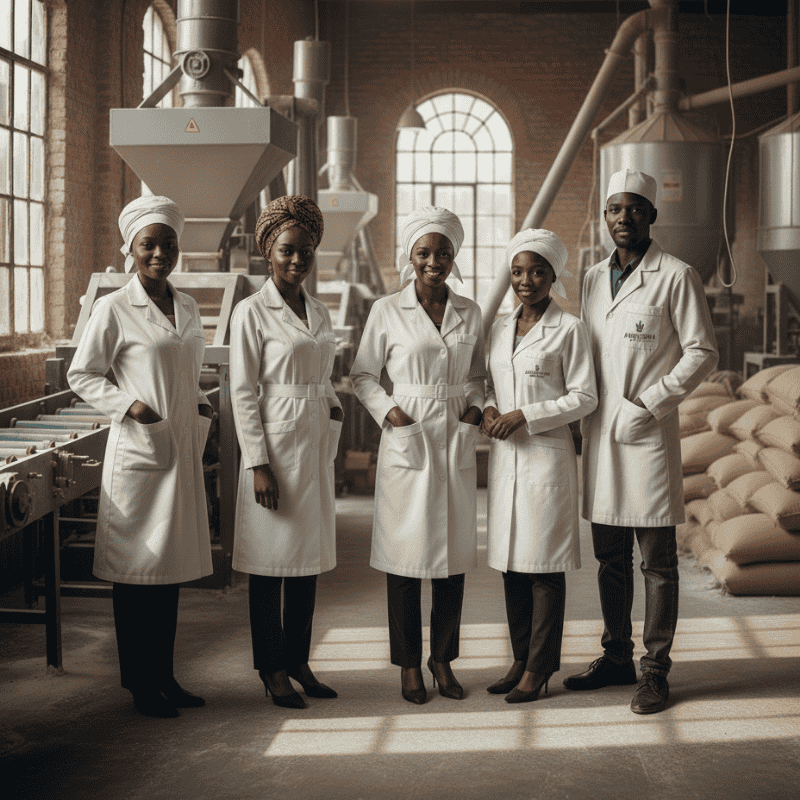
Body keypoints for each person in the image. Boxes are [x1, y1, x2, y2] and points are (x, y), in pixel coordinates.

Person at [567, 169, 718, 714]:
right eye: (613, 209)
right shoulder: (589, 279)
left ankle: (655, 671)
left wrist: (651, 402)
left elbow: (702, 352)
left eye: (633, 209)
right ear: (604, 217)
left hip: (647, 433)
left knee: (657, 562)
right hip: (599, 434)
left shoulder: (676, 276)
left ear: (652, 215)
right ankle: (615, 656)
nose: (622, 219)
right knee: (610, 558)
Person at [68, 195, 214, 719]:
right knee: (136, 575)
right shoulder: (113, 307)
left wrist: (200, 410)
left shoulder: (189, 305)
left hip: (178, 449)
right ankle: (139, 684)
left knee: (168, 570)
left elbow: (188, 371)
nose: (159, 253)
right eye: (148, 244)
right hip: (141, 450)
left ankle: (165, 675)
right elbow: (81, 374)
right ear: (129, 249)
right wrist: (130, 404)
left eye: (167, 244)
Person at [350, 206, 485, 705]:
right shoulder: (387, 310)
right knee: (405, 559)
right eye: (424, 252)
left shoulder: (469, 311)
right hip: (407, 434)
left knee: (451, 558)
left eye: (443, 252)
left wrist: (473, 412)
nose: (434, 261)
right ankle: (409, 664)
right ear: (410, 256)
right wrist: (391, 414)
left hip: (454, 435)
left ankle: (442, 659)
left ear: (455, 256)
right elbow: (362, 375)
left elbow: (478, 377)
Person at [229, 196, 343, 710]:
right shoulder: (251, 312)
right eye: (287, 251)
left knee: (306, 560)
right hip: (274, 448)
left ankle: (299, 659)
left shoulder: (318, 310)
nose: (297, 260)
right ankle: (272, 667)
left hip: (313, 446)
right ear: (267, 254)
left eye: (306, 251)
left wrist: (334, 411)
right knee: (270, 562)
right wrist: (257, 464)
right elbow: (242, 391)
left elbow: (322, 377)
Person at [482, 229, 597, 703]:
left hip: (545, 460)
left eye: (535, 271)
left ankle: (540, 666)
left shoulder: (569, 329)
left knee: (544, 567)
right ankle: (520, 656)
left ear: (553, 276)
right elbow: (490, 384)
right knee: (512, 563)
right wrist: (490, 409)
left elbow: (585, 397)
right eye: (517, 271)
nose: (525, 280)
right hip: (506, 460)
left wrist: (526, 415)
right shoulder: (499, 328)